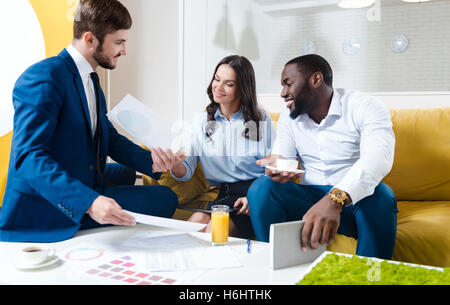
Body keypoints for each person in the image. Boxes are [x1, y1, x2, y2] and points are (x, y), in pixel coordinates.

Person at [0, 0, 178, 243]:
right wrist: (89, 201)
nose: (124, 50)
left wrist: (153, 162)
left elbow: (109, 137)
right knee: (165, 198)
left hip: (81, 174)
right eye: (119, 42)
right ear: (90, 39)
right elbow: (28, 158)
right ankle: (85, 211)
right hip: (44, 206)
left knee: (128, 174)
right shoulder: (44, 77)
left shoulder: (91, 79)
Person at [247, 54, 398, 260]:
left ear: (316, 80)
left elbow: (378, 158)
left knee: (381, 195)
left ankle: (370, 277)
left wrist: (335, 199)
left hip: (355, 203)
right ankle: (277, 268)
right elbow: (284, 156)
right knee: (261, 188)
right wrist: (278, 167)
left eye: (288, 84)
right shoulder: (289, 116)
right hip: (309, 202)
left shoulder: (365, 106)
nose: (283, 93)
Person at [150, 55, 275, 239]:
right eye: (217, 79)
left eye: (229, 84)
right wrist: (174, 163)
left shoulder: (260, 120)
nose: (218, 87)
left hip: (254, 196)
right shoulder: (202, 121)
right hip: (224, 195)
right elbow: (186, 171)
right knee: (193, 225)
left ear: (243, 89)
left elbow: (273, 167)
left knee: (215, 232)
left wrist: (256, 196)